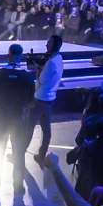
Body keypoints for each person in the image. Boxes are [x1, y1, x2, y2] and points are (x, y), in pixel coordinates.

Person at [0, 44, 36, 193]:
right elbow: (31, 100)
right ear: (20, 56)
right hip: (19, 121)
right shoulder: (27, 77)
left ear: (8, 55)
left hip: (1, 120)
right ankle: (18, 186)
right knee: (18, 153)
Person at [29, 34, 64, 167]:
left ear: (53, 46)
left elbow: (42, 80)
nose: (46, 45)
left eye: (48, 43)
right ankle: (41, 155)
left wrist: (38, 70)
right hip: (50, 98)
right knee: (46, 130)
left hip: (40, 98)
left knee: (29, 127)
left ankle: (19, 152)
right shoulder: (59, 58)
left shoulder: (50, 63)